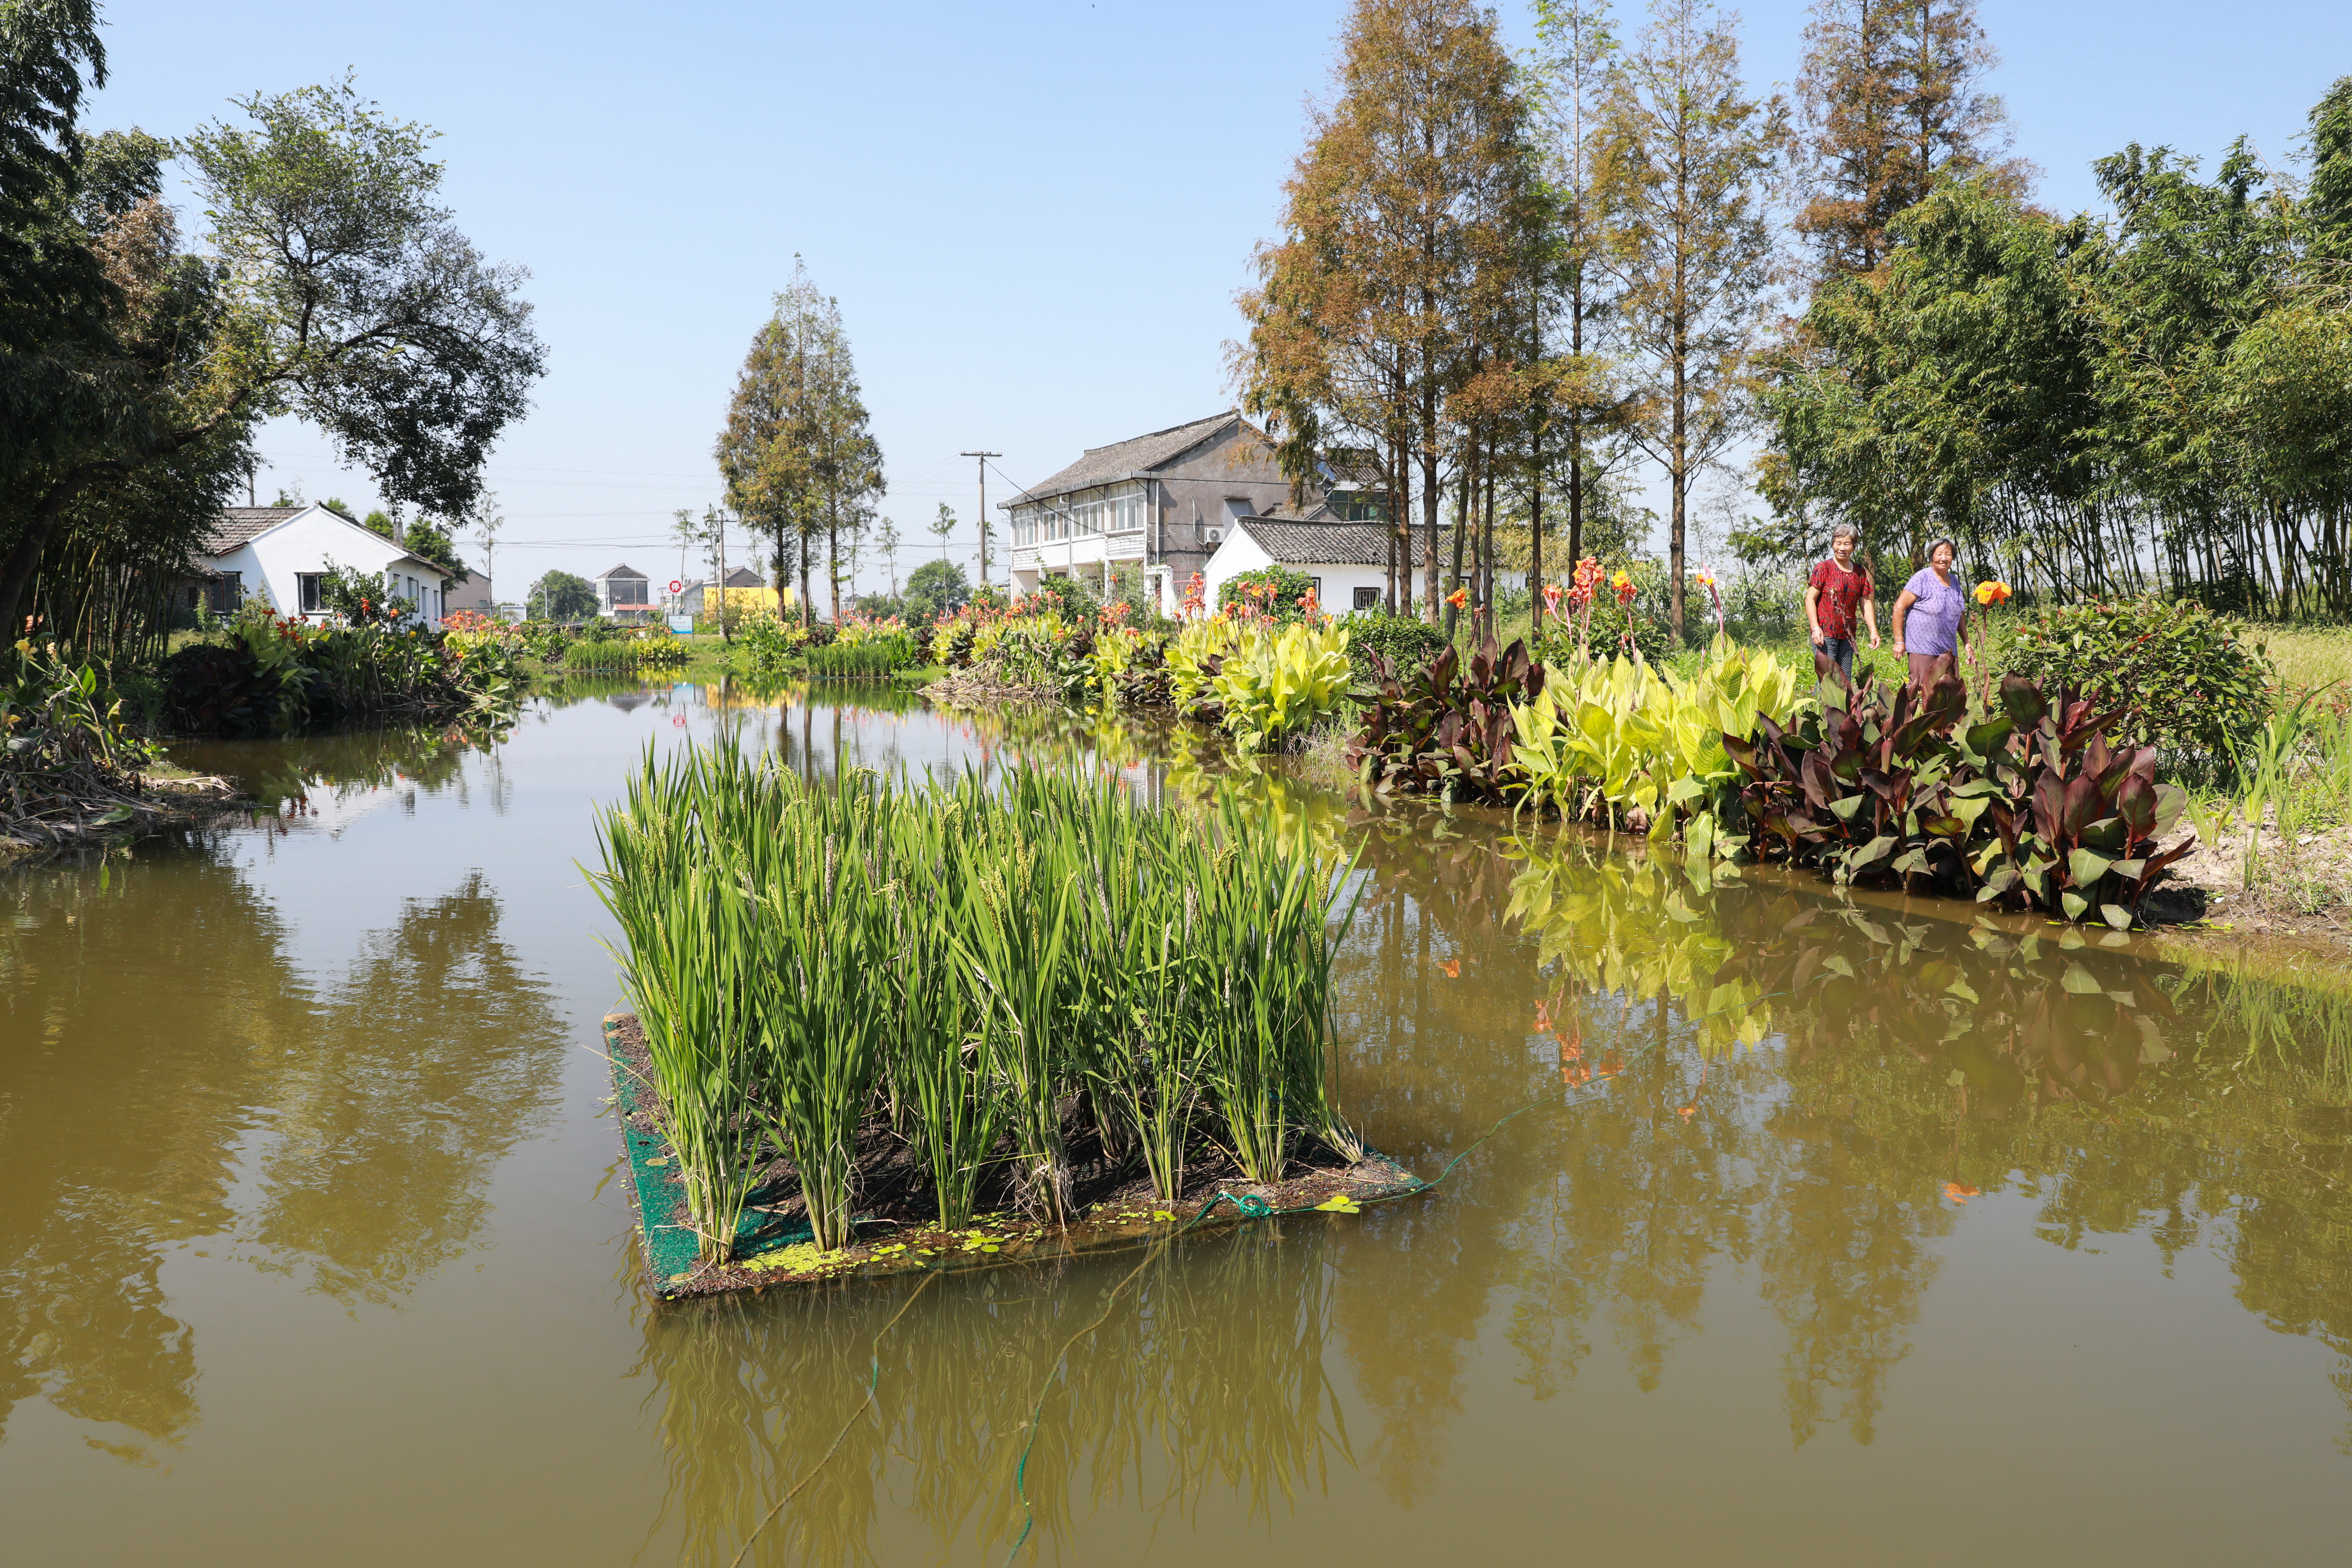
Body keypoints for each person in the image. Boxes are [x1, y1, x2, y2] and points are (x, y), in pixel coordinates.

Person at [1891, 538, 1969, 692]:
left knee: (1949, 692)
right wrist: (1899, 642)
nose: (1944, 558)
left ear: (1953, 558)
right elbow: (1898, 609)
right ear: (1931, 557)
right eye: (1939, 554)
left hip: (1948, 650)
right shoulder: (1922, 578)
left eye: (1948, 554)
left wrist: (1967, 643)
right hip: (1923, 648)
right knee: (1921, 690)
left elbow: (1960, 614)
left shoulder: (1954, 581)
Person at [1804, 524, 1878, 679]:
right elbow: (1810, 599)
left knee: (1844, 679)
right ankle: (1818, 705)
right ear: (1833, 544)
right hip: (1825, 634)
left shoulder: (1859, 572)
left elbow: (1866, 603)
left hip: (1848, 635)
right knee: (1827, 679)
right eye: (1838, 543)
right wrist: (1815, 628)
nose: (1842, 548)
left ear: (1853, 547)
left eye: (1847, 544)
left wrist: (1873, 630)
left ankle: (1843, 705)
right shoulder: (1824, 568)